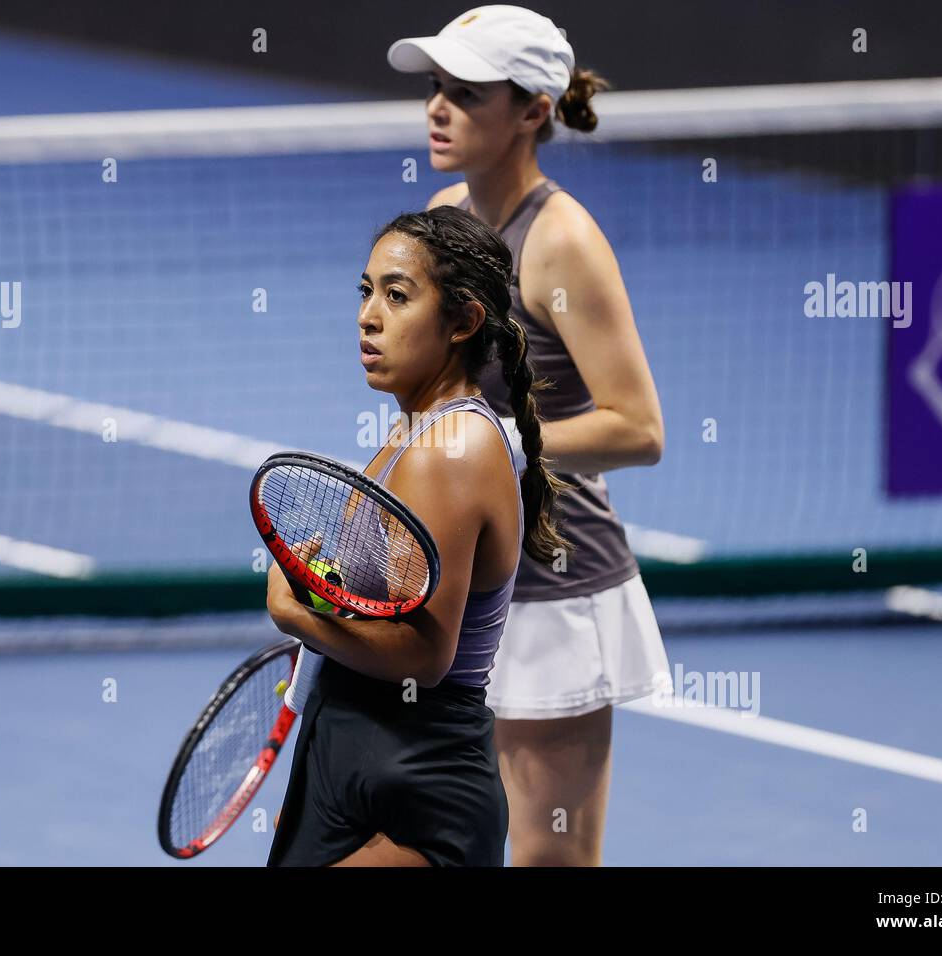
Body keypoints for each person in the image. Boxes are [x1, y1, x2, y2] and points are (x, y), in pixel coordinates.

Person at [387, 4, 672, 866]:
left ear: (533, 110)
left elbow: (639, 428)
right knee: (438, 835)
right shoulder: (443, 214)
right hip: (456, 566)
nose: (437, 108)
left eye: (466, 93)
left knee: (550, 856)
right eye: (436, 88)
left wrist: (508, 441)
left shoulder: (563, 244)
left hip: (555, 579)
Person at [264, 204, 570, 866]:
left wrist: (296, 614)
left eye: (397, 296)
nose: (368, 316)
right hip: (364, 751)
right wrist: (329, 593)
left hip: (413, 779)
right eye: (367, 291)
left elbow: (422, 656)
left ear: (462, 322)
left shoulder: (450, 450)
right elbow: (392, 598)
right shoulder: (413, 432)